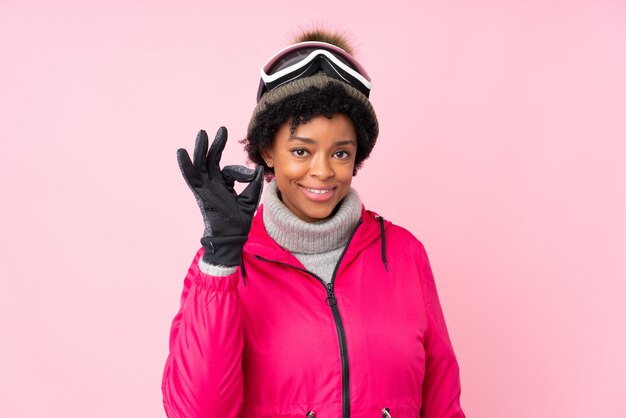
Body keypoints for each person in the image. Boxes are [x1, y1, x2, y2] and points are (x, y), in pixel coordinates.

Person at [162, 30, 466, 418]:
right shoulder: (223, 267)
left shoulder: (405, 254)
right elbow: (197, 412)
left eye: (340, 152)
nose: (322, 172)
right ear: (269, 151)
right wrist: (222, 260)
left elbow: (443, 401)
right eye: (301, 150)